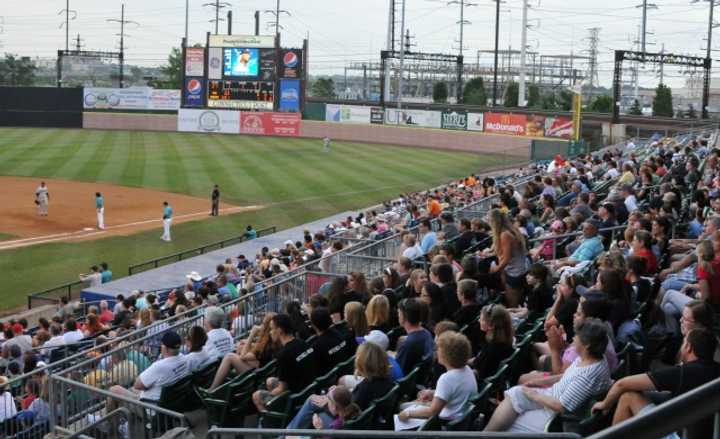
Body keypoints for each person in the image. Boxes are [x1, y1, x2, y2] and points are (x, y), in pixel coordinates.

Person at [484, 318, 612, 433]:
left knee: (510, 421)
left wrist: (534, 395)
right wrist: (539, 383)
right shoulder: (592, 358)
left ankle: (483, 435)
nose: (574, 338)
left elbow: (561, 406)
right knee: (517, 394)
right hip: (551, 398)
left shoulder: (588, 375)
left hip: (555, 416)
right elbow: (565, 376)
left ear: (587, 345)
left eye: (577, 336)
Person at [592, 329, 720, 439]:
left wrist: (605, 404)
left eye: (684, 342)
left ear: (688, 347)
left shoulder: (682, 372)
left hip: (679, 434)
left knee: (628, 396)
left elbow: (622, 384)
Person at [395, 331, 477, 430]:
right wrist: (432, 392)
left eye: (439, 349)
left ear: (447, 355)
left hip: (444, 423)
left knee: (402, 409)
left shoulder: (446, 379)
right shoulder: (467, 369)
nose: (437, 351)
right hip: (458, 418)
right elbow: (454, 391)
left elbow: (432, 412)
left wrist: (408, 414)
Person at [252, 314, 316, 411]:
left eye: (272, 329)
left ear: (279, 330)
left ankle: (269, 421)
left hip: (295, 397)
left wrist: (270, 394)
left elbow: (282, 389)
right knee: (270, 381)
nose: (270, 332)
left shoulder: (284, 354)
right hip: (308, 387)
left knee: (257, 396)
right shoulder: (302, 343)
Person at [108, 331, 188, 407]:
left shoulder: (159, 366)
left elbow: (137, 385)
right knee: (132, 389)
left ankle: (110, 421)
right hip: (172, 401)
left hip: (151, 407)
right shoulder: (185, 359)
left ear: (165, 348)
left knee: (114, 389)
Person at [486, 209, 529, 308]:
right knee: (519, 299)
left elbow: (506, 259)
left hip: (514, 272)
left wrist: (495, 270)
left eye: (489, 220)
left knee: (513, 304)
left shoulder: (505, 235)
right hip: (521, 268)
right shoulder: (512, 229)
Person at [393, 298, 434, 374]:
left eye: (399, 312)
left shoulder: (408, 344)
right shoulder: (426, 333)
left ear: (404, 316)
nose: (397, 315)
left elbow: (397, 372)